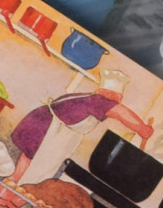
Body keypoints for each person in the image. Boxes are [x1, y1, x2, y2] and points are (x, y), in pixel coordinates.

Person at [8, 73, 153, 184]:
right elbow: (120, 112)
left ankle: (8, 191)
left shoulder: (87, 97)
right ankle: (9, 199)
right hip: (48, 130)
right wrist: (142, 129)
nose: (118, 101)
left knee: (26, 163)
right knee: (34, 172)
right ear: (109, 94)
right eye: (118, 97)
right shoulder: (99, 101)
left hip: (41, 124)